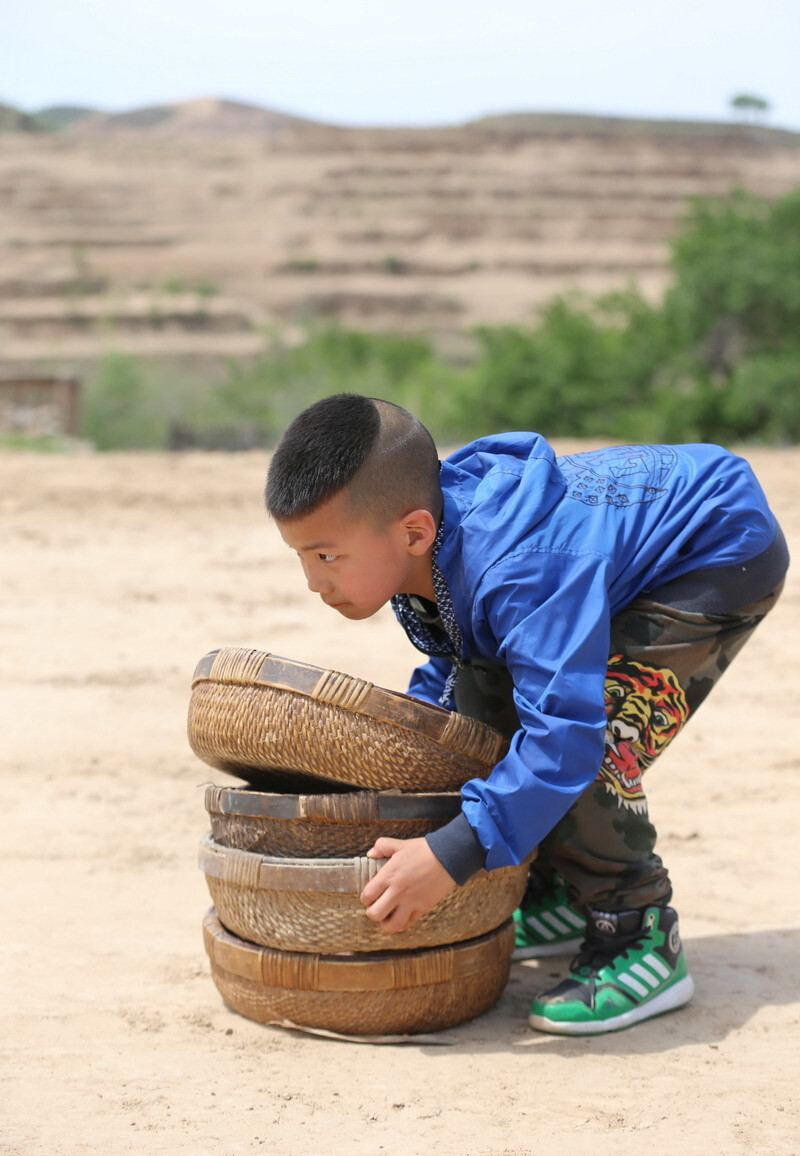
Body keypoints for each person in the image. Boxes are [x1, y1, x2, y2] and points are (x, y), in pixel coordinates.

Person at [265, 393, 789, 1035]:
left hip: (712, 550)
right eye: (302, 557)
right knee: (480, 706)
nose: (313, 583)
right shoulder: (433, 542)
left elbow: (563, 739)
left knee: (589, 741)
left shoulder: (521, 569)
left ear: (413, 532)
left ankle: (637, 932)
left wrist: (455, 853)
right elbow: (462, 654)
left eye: (326, 556)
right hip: (603, 561)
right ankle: (560, 892)